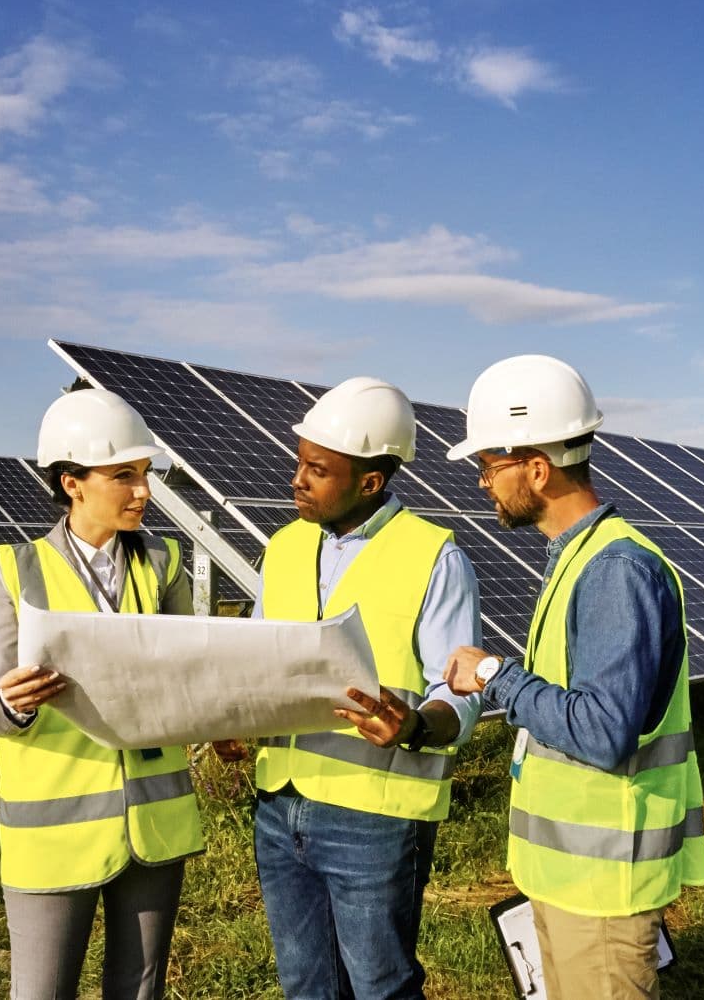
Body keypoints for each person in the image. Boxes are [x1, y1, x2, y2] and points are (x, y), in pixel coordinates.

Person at [440, 355, 704, 1000]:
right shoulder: (578, 558)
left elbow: (602, 729)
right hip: (572, 880)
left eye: (489, 466)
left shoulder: (616, 569)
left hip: (604, 889)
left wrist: (497, 675)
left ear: (537, 466)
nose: (482, 483)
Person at [223, 376, 483, 1000]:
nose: (297, 480)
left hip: (374, 813)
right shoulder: (283, 546)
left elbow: (462, 692)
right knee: (305, 986)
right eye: (299, 463)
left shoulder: (434, 555)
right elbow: (257, 658)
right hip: (279, 804)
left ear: (370, 481)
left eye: (317, 469)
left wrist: (418, 724)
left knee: (381, 987)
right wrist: (230, 715)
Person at [0, 386, 202, 1000]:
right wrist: (16, 701)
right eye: (124, 476)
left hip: (154, 824)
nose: (144, 491)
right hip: (53, 831)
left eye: (146, 474)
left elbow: (193, 677)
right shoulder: (14, 569)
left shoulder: (165, 564)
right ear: (72, 482)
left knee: (140, 990)